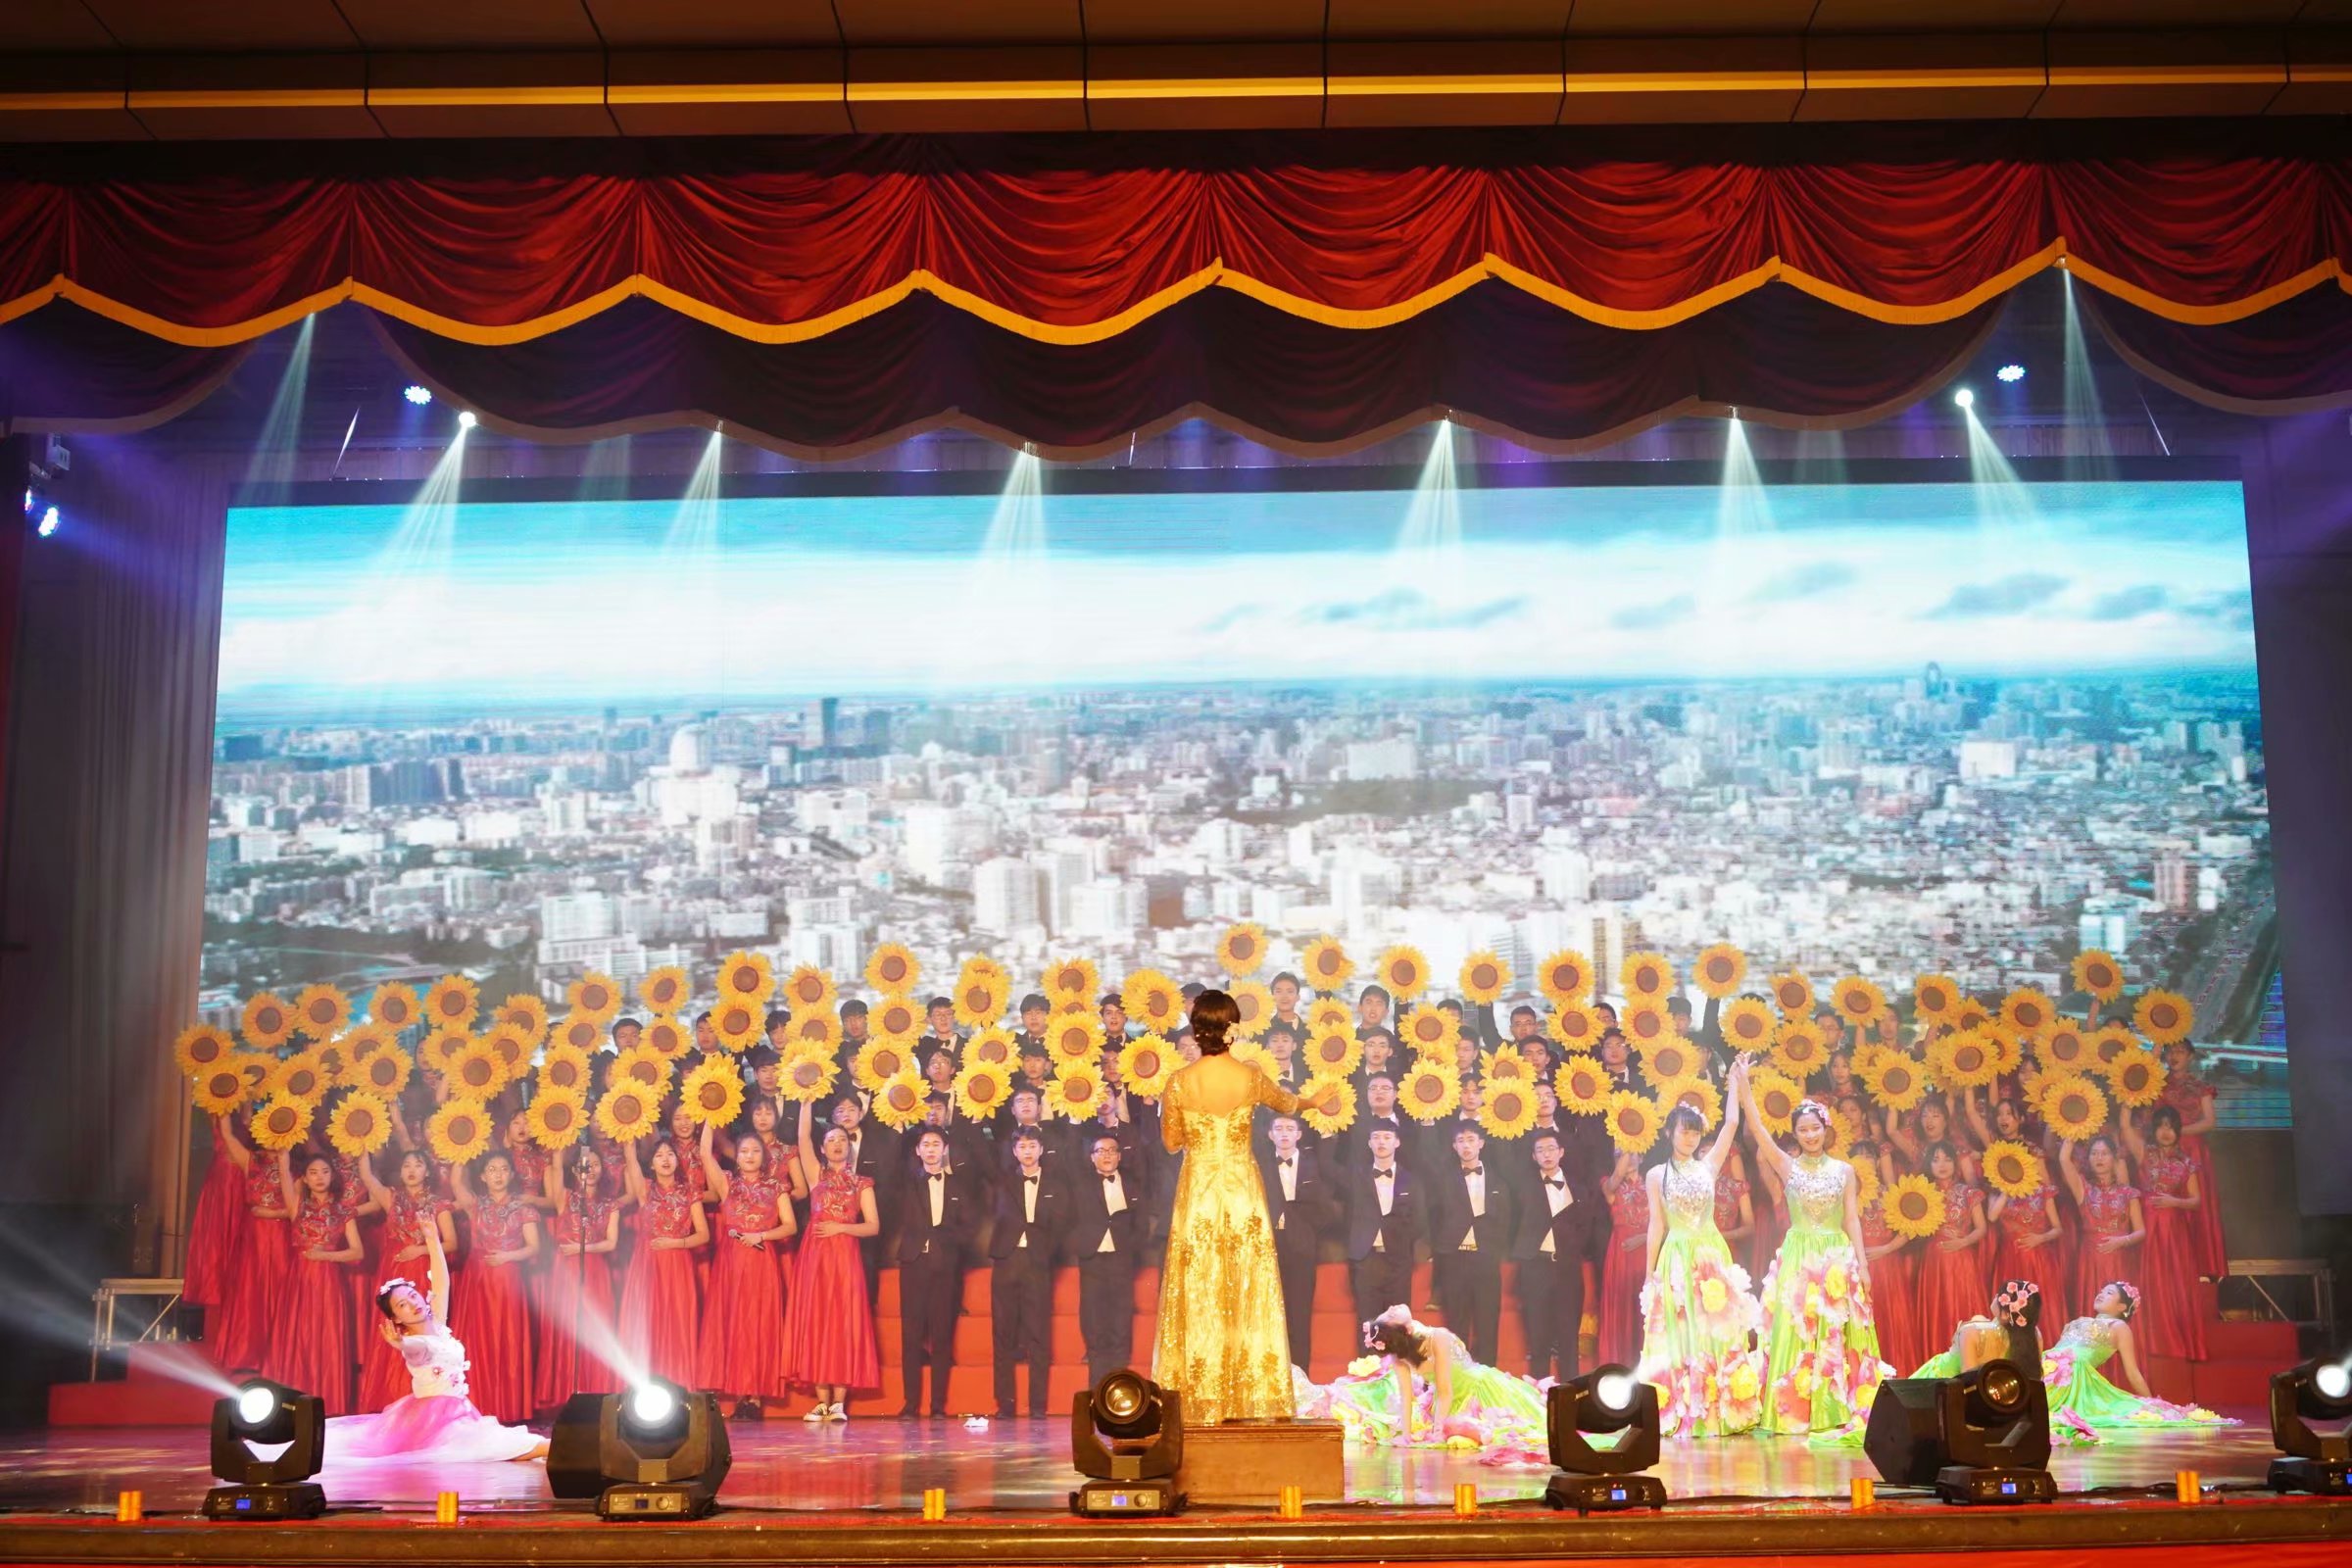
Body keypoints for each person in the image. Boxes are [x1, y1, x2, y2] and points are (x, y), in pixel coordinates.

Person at [1152, 988, 1309, 1423]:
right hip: (1242, 1192)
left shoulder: (1179, 1082)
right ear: (1231, 1030)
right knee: (1248, 1285)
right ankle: (1252, 1395)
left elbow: (1171, 1142)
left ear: (1197, 1031)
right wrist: (1316, 1101)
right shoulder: (1250, 1077)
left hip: (1201, 1191)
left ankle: (1200, 1397)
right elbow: (1289, 1103)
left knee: (1200, 1284)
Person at [1732, 1068, 1886, 1438]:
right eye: (1803, 1130)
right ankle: (1796, 1410)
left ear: (1825, 1129)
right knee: (1797, 1329)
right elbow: (1758, 1130)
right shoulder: (1787, 1166)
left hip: (1836, 1255)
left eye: (1815, 1128)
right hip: (1799, 1255)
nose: (1810, 1135)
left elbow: (1852, 1218)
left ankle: (1836, 1406)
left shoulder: (1845, 1171)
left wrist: (1863, 1264)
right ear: (1795, 1134)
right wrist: (1744, 1086)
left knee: (1835, 1331)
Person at [327, 1220, 548, 1463]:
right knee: (508, 1446)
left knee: (501, 1447)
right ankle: (563, 1451)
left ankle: (557, 1451)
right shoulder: (416, 1342)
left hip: (458, 1414)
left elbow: (442, 1282)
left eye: (413, 1296)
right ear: (396, 1318)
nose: (413, 1304)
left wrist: (432, 1239)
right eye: (402, 1305)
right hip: (435, 1421)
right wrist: (401, 1345)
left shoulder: (438, 1323)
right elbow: (414, 1350)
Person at [1915, 1280, 2233, 1443]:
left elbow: (2132, 1370)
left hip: (2074, 1372)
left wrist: (2149, 1401)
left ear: (2123, 1308)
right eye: (2102, 1290)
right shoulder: (2077, 1321)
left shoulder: (2119, 1328)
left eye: (2110, 1294)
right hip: (2051, 1362)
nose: (2101, 1294)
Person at [1635, 1098, 1765, 1438]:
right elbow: (1656, 1225)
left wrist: (1736, 1083)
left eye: (1695, 1133)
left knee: (1718, 1328)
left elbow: (1732, 1124)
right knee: (1681, 1330)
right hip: (1677, 1255)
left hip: (1710, 1254)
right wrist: (1650, 1272)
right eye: (1684, 1132)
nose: (1691, 1139)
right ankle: (1686, 1407)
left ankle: (1721, 1409)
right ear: (1669, 1133)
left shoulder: (1709, 1165)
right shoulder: (1656, 1175)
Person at [1298, 1304, 1545, 1462]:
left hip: (1480, 1389)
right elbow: (1410, 1398)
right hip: (1448, 1401)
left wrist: (1436, 1430)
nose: (1392, 1307)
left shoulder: (1437, 1337)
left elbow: (1445, 1391)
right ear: (1404, 1330)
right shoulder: (1403, 1357)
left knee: (1522, 1423)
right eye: (1390, 1314)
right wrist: (1408, 1435)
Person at [785, 1097, 881, 1419]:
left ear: (849, 1148)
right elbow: (802, 1137)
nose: (837, 1144)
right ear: (822, 1148)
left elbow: (873, 1226)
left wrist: (841, 1228)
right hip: (815, 1259)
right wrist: (806, 1102)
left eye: (842, 1139)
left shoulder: (861, 1183)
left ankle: (839, 1401)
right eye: (831, 1140)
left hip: (845, 1259)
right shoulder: (816, 1176)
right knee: (816, 1321)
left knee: (843, 1322)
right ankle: (822, 1400)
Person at [698, 1123, 797, 1416]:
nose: (750, 1156)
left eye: (755, 1151)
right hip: (731, 1263)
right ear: (736, 1157)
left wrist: (761, 1236)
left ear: (763, 1157)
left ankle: (755, 1397)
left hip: (762, 1261)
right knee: (734, 1323)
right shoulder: (727, 1183)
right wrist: (709, 1116)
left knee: (758, 1325)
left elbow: (790, 1226)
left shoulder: (776, 1187)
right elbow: (704, 1153)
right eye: (744, 1151)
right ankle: (740, 1392)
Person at [357, 1147, 458, 1410]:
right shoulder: (392, 1198)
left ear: (427, 1171)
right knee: (394, 1330)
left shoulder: (438, 1204)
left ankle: (422, 1394)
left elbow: (451, 1243)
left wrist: (420, 1249)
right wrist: (362, 1139)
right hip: (393, 1271)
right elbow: (367, 1177)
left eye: (418, 1165)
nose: (412, 1170)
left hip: (423, 1271)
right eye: (407, 1166)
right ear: (400, 1172)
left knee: (423, 1331)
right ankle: (388, 1397)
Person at [450, 1151, 540, 1424]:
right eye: (492, 1170)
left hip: (507, 1278)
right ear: (482, 1176)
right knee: (478, 1339)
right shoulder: (476, 1205)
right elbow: (456, 1182)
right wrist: (461, 1145)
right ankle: (479, 1403)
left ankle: (508, 1407)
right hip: (477, 1278)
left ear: (511, 1175)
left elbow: (534, 1247)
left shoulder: (523, 1208)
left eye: (503, 1169)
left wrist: (507, 1256)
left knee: (508, 1338)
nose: (498, 1175)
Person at [893, 1127, 977, 1418]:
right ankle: (910, 1404)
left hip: (945, 1267)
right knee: (911, 1337)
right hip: (913, 1264)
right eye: (925, 1144)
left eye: (936, 1144)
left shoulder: (959, 1186)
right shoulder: (906, 1183)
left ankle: (938, 1405)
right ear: (917, 1151)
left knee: (942, 1336)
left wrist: (946, 1240)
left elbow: (969, 1228)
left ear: (945, 1149)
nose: (930, 1149)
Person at [272, 1150, 364, 1415]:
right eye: (313, 1173)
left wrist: (325, 1255)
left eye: (324, 1172)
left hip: (329, 1282)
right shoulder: (297, 1205)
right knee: (299, 1338)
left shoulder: (343, 1211)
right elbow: (283, 1174)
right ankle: (295, 1404)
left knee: (327, 1338)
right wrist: (283, 1154)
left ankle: (330, 1404)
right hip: (299, 1281)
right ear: (305, 1178)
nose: (319, 1177)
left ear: (332, 1176)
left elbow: (357, 1252)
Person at [536, 1144, 624, 1411]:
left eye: (595, 1164)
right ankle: (567, 1392)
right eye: (585, 1165)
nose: (590, 1169)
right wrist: (558, 1142)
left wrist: (582, 1248)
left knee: (597, 1327)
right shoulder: (564, 1197)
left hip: (596, 1271)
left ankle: (597, 1391)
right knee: (570, 1328)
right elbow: (555, 1169)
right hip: (567, 1273)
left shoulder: (610, 1205)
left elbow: (611, 1243)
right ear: (575, 1171)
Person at [207, 1112, 291, 1378]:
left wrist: (273, 1213)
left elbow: (297, 1209)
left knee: (279, 1292)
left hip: (281, 1238)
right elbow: (227, 1135)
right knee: (250, 1293)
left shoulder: (295, 1168)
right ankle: (247, 1355)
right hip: (253, 1239)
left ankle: (278, 1357)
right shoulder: (250, 1160)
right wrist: (223, 1102)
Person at [1512, 1128, 1600, 1383]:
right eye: (1540, 1150)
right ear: (1533, 1156)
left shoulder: (1579, 1189)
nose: (1546, 1154)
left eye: (1551, 1148)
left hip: (1567, 1270)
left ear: (1561, 1152)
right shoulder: (1524, 1188)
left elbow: (1586, 1227)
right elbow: (1514, 1224)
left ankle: (1570, 1394)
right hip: (1535, 1268)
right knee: (1538, 1338)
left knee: (1568, 1339)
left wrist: (1571, 1249)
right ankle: (1538, 1396)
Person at [988, 1128, 1065, 1418]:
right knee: (1003, 1334)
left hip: (1037, 1262)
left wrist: (1044, 1250)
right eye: (1022, 1147)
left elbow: (1062, 1222)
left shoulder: (1056, 1183)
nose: (1028, 1151)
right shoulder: (1003, 1181)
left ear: (1041, 1149)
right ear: (1014, 1152)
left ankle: (1037, 1405)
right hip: (1007, 1261)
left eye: (1032, 1146)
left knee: (1038, 1335)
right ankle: (1005, 1403)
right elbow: (995, 1215)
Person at [620, 1135, 708, 1388]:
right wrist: (628, 1131)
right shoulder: (645, 1189)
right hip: (647, 1264)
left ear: (677, 1161)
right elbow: (630, 1159)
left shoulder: (689, 1192)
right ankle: (644, 1382)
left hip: (678, 1262)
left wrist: (675, 1243)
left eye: (670, 1154)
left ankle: (679, 1382)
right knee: (649, 1320)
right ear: (651, 1164)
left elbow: (703, 1235)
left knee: (677, 1320)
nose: (665, 1159)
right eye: (659, 1156)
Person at [2123, 1104, 2208, 1360]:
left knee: (2177, 1283)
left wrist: (2174, 1201)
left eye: (2170, 1127)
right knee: (2152, 1280)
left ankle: (2181, 1343)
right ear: (2154, 1130)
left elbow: (2196, 1201)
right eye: (2161, 1126)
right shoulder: (2144, 1153)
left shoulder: (2186, 1163)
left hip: (2175, 1230)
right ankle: (2154, 1343)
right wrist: (2129, 1096)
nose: (2165, 1132)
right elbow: (2125, 1126)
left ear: (2178, 1130)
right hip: (2148, 1225)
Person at [1427, 1122, 1513, 1366]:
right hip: (1454, 1259)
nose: (1466, 1145)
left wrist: (1493, 1248)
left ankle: (1486, 1377)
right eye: (1461, 1141)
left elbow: (1505, 1220)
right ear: (1454, 1146)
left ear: (1481, 1143)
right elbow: (1434, 1217)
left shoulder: (1498, 1181)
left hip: (1486, 1258)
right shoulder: (1442, 1180)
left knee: (1488, 1322)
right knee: (1457, 1323)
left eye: (1471, 1140)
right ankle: (1457, 1376)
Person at [1258, 1112, 1338, 1371]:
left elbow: (1326, 1209)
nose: (1284, 1133)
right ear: (1270, 1135)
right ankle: (1270, 1373)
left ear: (1299, 1134)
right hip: (1267, 1247)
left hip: (1303, 1247)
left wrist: (1302, 1226)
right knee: (1268, 1313)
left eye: (1289, 1128)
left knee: (1300, 1314)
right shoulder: (1258, 1165)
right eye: (1279, 1128)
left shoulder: (1315, 1165)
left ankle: (1300, 1375)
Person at [1070, 1132, 1146, 1388]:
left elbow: (1141, 1222)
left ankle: (1119, 1389)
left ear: (1120, 1156)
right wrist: (1081, 1244)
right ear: (1092, 1157)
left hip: (1121, 1259)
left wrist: (1131, 1248)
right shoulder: (1080, 1185)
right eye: (1101, 1151)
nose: (1107, 1155)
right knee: (1094, 1321)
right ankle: (1096, 1390)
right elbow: (1068, 1220)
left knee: (1120, 1320)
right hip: (1092, 1258)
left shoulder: (1133, 1184)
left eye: (1112, 1150)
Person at [2059, 1133, 2145, 1322]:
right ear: (2088, 1159)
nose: (2099, 1158)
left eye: (2104, 1153)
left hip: (2119, 1259)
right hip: (2091, 1260)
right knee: (2092, 1309)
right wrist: (2073, 1128)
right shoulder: (2083, 1189)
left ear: (2114, 1159)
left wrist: (2121, 1241)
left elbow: (2141, 1231)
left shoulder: (2128, 1193)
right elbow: (2064, 1159)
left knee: (2118, 1312)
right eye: (2094, 1153)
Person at [1913, 1142, 1986, 1349]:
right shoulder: (1922, 1194)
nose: (1942, 1165)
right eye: (1936, 1160)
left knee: (1964, 1306)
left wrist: (1963, 1242)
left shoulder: (1969, 1193)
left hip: (1962, 1261)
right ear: (1929, 1165)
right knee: (1939, 1309)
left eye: (1947, 1159)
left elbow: (1981, 1228)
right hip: (1934, 1262)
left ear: (1955, 1163)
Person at [1346, 1125, 1419, 1326]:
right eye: (1376, 1137)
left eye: (1387, 1137)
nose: (1381, 1142)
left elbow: (1419, 1220)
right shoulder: (1355, 1177)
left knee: (1398, 1326)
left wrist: (1401, 1242)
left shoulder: (1411, 1179)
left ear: (1397, 1142)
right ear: (1369, 1143)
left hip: (1398, 1259)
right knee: (1367, 1324)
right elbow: (1347, 1216)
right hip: (1366, 1258)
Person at [1597, 1149, 1649, 1367]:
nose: (1626, 1159)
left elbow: (1666, 1222)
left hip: (1649, 1251)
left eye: (1632, 1153)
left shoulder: (1654, 1182)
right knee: (1621, 1308)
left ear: (1643, 1157)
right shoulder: (1609, 1185)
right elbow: (1617, 1175)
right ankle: (1620, 1366)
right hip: (1621, 1254)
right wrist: (1630, 1136)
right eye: (1619, 1155)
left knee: (1646, 1311)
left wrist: (1643, 1237)